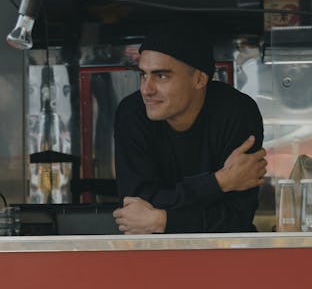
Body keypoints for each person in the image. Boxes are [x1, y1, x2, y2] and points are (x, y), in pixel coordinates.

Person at [113, 28, 266, 234]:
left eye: (161, 76)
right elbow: (134, 210)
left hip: (225, 254)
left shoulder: (236, 113)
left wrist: (162, 221)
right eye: (143, 75)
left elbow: (237, 219)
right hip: (150, 255)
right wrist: (220, 182)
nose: (146, 89)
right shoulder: (132, 114)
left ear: (199, 80)